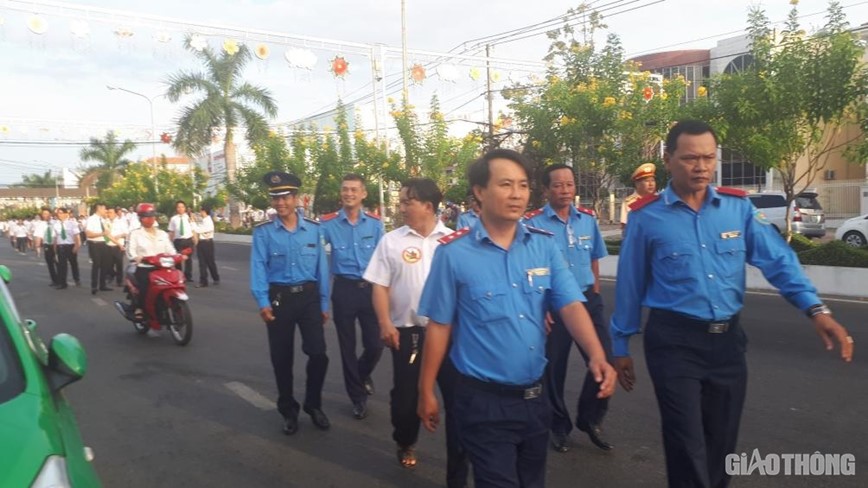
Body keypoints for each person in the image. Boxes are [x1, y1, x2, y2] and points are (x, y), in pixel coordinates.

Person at [611, 120, 855, 488]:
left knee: (722, 445)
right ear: (668, 159)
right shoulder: (648, 217)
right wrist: (620, 344)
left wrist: (816, 309)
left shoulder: (737, 209)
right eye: (690, 158)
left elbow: (777, 260)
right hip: (674, 343)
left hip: (727, 343)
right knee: (686, 442)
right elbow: (630, 284)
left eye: (709, 158)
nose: (701, 167)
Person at [417, 149, 617, 488]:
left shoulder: (543, 247)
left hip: (534, 401)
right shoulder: (453, 254)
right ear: (480, 191)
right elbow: (439, 325)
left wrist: (597, 355)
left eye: (523, 185)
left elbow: (570, 304)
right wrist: (426, 389)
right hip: (483, 403)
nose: (516, 194)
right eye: (506, 184)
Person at [524, 163, 613, 454]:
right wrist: (541, 305)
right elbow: (529, 268)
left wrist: (596, 290)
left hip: (588, 299)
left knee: (604, 358)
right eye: (558, 185)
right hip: (554, 303)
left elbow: (595, 258)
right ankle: (559, 427)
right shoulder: (533, 224)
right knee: (555, 368)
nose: (565, 190)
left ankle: (590, 418)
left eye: (570, 185)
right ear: (546, 189)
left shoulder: (587, 219)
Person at [363, 178, 452, 470]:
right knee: (405, 399)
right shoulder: (392, 241)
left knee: (459, 396)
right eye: (400, 201)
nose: (400, 207)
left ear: (428, 206)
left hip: (450, 333)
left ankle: (461, 452)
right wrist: (385, 322)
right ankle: (405, 441)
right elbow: (379, 285)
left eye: (406, 202)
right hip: (409, 334)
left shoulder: (453, 241)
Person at [250, 171, 331, 435]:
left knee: (318, 354)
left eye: (285, 197)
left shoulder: (314, 230)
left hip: (308, 298)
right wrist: (262, 300)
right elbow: (258, 267)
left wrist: (323, 303)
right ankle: (288, 409)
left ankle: (313, 403)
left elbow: (322, 269)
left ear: (297, 198)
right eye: (275, 198)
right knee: (281, 359)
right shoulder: (263, 233)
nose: (280, 203)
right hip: (279, 299)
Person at [321, 173, 385, 420]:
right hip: (344, 290)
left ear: (363, 193)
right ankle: (357, 397)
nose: (349, 193)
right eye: (345, 189)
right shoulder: (328, 224)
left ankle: (361, 372)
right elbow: (315, 255)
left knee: (375, 345)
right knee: (347, 347)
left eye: (354, 190)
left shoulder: (375, 224)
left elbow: (384, 260)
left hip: (371, 289)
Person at [126, 203, 180, 326]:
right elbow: (130, 251)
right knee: (145, 286)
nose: (150, 218)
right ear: (140, 218)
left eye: (152, 215)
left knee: (176, 280)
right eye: (146, 216)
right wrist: (137, 258)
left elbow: (171, 250)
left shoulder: (162, 234)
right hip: (144, 268)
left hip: (162, 267)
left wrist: (177, 256)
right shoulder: (135, 234)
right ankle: (139, 308)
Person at [84, 202, 113, 294]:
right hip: (95, 244)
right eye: (104, 209)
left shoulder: (103, 220)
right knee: (96, 265)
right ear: (99, 208)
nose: (106, 211)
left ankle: (102, 285)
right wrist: (101, 234)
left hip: (103, 243)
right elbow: (88, 234)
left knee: (105, 265)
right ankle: (94, 286)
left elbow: (107, 233)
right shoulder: (91, 219)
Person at [619, 162, 657, 230]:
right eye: (647, 181)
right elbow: (625, 228)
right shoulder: (629, 202)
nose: (651, 184)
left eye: (653, 180)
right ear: (637, 184)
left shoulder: (659, 200)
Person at [53, 207, 82, 289]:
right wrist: (55, 250)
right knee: (62, 265)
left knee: (73, 264)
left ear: (66, 214)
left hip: (70, 246)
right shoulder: (56, 224)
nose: (59, 215)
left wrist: (77, 246)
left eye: (61, 213)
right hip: (60, 247)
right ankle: (63, 283)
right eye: (58, 213)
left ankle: (76, 279)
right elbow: (55, 238)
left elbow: (77, 236)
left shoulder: (72, 223)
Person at [168, 200, 196, 282]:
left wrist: (195, 239)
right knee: (178, 260)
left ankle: (188, 276)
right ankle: (179, 276)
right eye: (179, 207)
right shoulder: (173, 219)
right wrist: (169, 242)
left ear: (185, 208)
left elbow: (193, 228)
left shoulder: (189, 217)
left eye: (182, 207)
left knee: (188, 259)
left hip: (188, 240)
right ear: (176, 208)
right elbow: (171, 231)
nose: (180, 208)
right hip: (178, 241)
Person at [193, 205, 220, 287]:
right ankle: (203, 281)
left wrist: (193, 223)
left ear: (204, 211)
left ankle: (216, 277)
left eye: (201, 211)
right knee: (202, 263)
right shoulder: (202, 220)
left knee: (210, 262)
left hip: (207, 243)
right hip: (201, 243)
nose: (200, 213)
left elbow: (198, 230)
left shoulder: (208, 221)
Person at [33, 207, 60, 287]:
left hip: (56, 245)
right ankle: (54, 280)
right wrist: (37, 248)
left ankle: (60, 279)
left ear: (50, 214)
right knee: (50, 263)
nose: (45, 215)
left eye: (47, 214)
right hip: (47, 245)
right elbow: (38, 236)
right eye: (44, 214)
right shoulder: (40, 225)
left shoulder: (56, 223)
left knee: (58, 263)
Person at [106, 206, 128, 287]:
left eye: (110, 212)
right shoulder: (106, 222)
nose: (109, 214)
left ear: (115, 214)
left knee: (119, 264)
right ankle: (111, 275)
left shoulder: (121, 222)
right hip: (108, 245)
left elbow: (126, 233)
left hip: (119, 246)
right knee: (108, 264)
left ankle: (119, 281)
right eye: (108, 212)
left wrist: (120, 235)